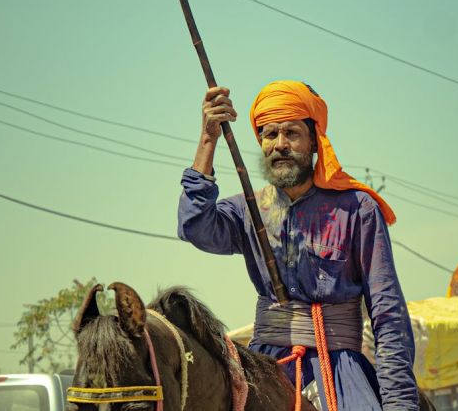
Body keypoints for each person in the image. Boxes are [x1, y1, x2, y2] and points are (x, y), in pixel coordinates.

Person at [178, 81, 418, 410]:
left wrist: (399, 404)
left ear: (314, 142)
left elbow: (388, 314)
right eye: (270, 134)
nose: (280, 144)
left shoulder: (357, 208)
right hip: (264, 370)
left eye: (291, 133)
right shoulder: (249, 210)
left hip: (340, 373)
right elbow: (194, 226)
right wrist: (208, 138)